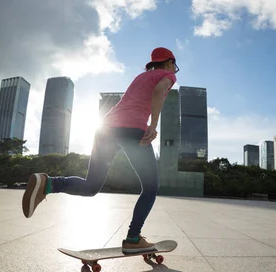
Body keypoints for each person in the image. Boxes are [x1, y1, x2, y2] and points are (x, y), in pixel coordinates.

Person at [22, 47, 178, 254]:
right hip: (132, 130)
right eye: (174, 66)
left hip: (105, 129)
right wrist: (153, 124)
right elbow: (159, 91)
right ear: (168, 62)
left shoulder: (142, 76)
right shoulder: (167, 75)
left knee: (91, 185)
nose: (174, 71)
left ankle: (48, 183)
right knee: (150, 188)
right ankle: (133, 238)